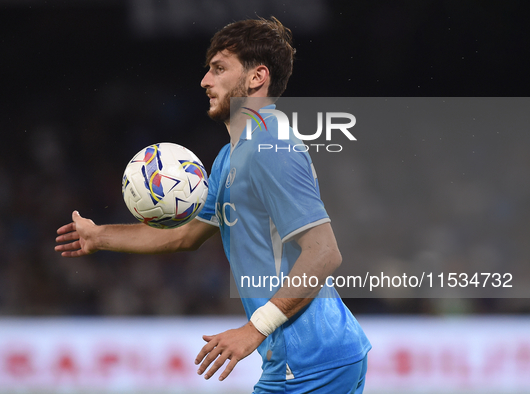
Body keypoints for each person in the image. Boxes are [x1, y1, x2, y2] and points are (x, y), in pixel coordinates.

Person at [56, 16, 371, 394]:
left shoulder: (272, 147)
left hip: (310, 363)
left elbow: (324, 252)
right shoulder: (230, 156)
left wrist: (253, 330)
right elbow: (185, 235)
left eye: (219, 69)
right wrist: (99, 236)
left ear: (257, 77)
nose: (205, 80)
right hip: (308, 359)